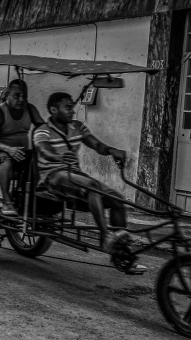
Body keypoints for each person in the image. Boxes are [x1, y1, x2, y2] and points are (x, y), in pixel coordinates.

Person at [34, 92, 135, 259]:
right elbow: (43, 149)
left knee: (118, 200)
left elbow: (97, 145)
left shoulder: (78, 127)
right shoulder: (42, 130)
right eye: (68, 108)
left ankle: (121, 251)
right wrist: (59, 157)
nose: (72, 111)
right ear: (53, 110)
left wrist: (111, 150)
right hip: (53, 176)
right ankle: (105, 237)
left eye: (72, 107)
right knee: (92, 186)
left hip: (75, 176)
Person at [0, 79, 45, 215]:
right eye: (17, 96)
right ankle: (7, 202)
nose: (21, 99)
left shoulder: (30, 109)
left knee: (38, 160)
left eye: (24, 96)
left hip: (20, 153)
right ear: (7, 96)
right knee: (5, 158)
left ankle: (28, 200)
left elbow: (43, 127)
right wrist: (9, 149)